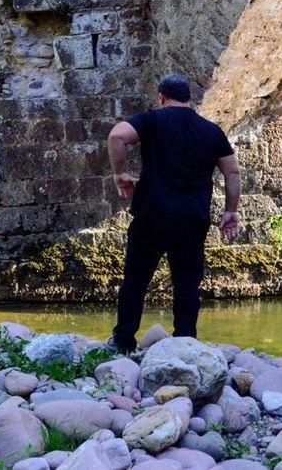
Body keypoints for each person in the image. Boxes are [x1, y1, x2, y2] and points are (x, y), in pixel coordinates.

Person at [106, 74, 241, 353]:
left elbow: (117, 136)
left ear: (162, 97)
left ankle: (123, 342)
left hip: (152, 214)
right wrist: (231, 212)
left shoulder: (151, 120)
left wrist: (120, 174)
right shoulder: (211, 130)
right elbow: (232, 172)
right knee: (187, 283)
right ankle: (185, 341)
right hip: (192, 218)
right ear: (188, 99)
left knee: (136, 279)